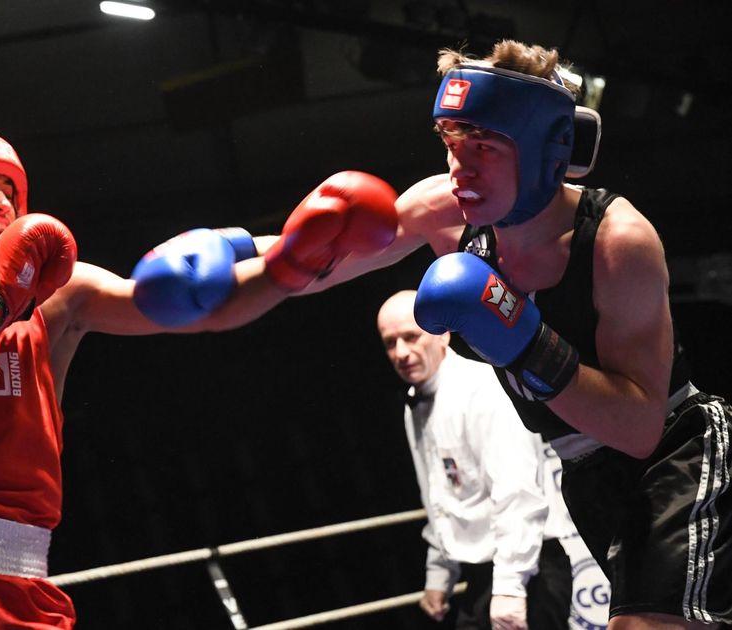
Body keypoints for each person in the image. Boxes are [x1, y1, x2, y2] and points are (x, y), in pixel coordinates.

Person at [231, 39, 730, 628]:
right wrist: (222, 257)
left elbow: (641, 427)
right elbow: (319, 264)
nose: (460, 168)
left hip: (676, 454)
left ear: (548, 149)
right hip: (582, 474)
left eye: (486, 148)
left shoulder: (617, 241)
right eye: (452, 144)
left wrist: (521, 337)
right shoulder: (444, 208)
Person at [0, 129, 400, 628]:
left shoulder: (58, 300)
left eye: (8, 190)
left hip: (23, 582)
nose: (1, 201)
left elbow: (188, 308)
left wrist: (289, 263)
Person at [377, 290, 572, 630]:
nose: (401, 353)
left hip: (528, 570)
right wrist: (440, 576)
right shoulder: (416, 404)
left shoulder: (482, 389)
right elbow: (440, 496)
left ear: (441, 333)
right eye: (390, 343)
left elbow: (518, 492)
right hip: (481, 574)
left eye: (410, 337)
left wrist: (510, 587)